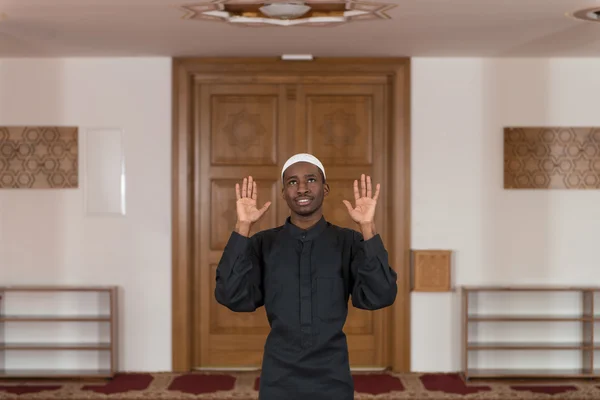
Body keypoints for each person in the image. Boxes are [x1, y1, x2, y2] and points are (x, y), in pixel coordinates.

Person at [214, 153, 398, 400]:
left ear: (325, 188)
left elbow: (381, 295)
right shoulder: (262, 243)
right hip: (278, 375)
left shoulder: (350, 241)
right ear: (283, 193)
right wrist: (243, 227)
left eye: (311, 180)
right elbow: (230, 295)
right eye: (292, 182)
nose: (301, 188)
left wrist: (367, 227)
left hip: (332, 375)